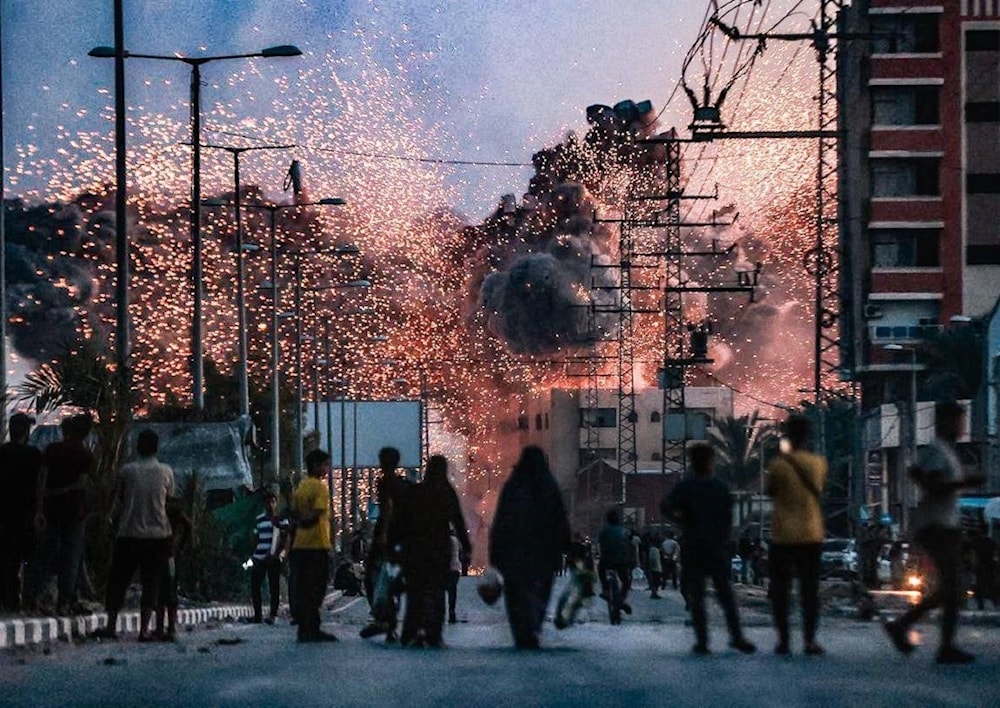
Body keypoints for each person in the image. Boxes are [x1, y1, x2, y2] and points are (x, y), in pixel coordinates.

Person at [883, 401, 985, 664]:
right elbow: (930, 482)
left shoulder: (945, 452)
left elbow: (920, 475)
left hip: (944, 525)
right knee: (953, 586)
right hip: (936, 526)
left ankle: (905, 626)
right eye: (958, 421)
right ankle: (939, 643)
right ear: (946, 422)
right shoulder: (937, 451)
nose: (961, 427)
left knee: (953, 587)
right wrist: (962, 482)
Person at [662, 443, 756, 656]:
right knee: (725, 595)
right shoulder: (719, 487)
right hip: (715, 547)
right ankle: (736, 637)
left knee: (698, 595)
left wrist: (681, 522)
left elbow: (665, 506)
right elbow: (729, 518)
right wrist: (723, 537)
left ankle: (703, 641)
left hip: (694, 546)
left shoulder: (686, 487)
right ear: (711, 461)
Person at [96, 429, 175, 640]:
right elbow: (168, 501)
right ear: (156, 448)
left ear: (137, 447)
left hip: (129, 532)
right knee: (151, 583)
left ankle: (111, 625)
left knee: (118, 581)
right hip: (158, 534)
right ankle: (144, 630)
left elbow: (119, 498)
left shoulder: (127, 471)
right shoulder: (166, 472)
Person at [490, 446, 571, 649]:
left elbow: (501, 522)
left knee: (516, 594)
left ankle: (521, 632)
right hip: (543, 554)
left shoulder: (513, 486)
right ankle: (534, 626)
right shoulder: (548, 486)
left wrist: (495, 552)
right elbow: (560, 519)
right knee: (540, 591)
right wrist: (566, 547)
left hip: (514, 555)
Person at [765, 414, 827, 657]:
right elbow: (819, 489)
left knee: (781, 591)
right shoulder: (818, 463)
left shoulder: (778, 465)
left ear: (787, 435)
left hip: (782, 535)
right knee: (809, 592)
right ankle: (810, 641)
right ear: (807, 436)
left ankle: (783, 641)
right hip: (811, 534)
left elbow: (770, 491)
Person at [397, 455, 471, 647]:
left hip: (416, 549)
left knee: (416, 592)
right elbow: (458, 521)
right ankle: (434, 633)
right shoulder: (447, 492)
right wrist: (466, 547)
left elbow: (403, 520)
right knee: (437, 592)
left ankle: (411, 632)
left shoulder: (416, 491)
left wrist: (398, 545)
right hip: (439, 549)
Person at [32, 413, 97, 615]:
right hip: (74, 511)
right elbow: (83, 484)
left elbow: (42, 479)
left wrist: (40, 506)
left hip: (51, 510)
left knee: (46, 553)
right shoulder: (85, 455)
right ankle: (65, 602)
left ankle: (35, 597)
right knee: (71, 556)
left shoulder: (52, 450)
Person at [360, 446, 411, 641]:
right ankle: (389, 623)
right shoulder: (405, 484)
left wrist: (382, 535)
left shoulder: (384, 483)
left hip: (386, 538)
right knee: (392, 580)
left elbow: (387, 507)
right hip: (402, 538)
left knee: (372, 578)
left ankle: (382, 618)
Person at [291, 448, 336, 642]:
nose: (327, 469)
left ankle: (305, 627)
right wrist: (306, 522)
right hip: (317, 544)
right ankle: (312, 627)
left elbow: (293, 512)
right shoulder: (320, 488)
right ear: (316, 466)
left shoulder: (301, 487)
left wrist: (299, 524)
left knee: (303, 587)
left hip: (300, 545)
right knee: (317, 588)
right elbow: (318, 513)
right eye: (325, 465)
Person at [0, 413, 43, 612]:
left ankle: (8, 598)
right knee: (23, 557)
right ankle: (20, 598)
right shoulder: (34, 455)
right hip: (25, 513)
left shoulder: (2, 453)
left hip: (5, 513)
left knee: (6, 556)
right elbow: (39, 485)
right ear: (25, 432)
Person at [154, 495, 192, 640]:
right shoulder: (160, 511)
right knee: (161, 590)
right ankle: (161, 628)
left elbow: (188, 526)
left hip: (169, 554)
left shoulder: (174, 513)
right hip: (161, 553)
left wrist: (179, 546)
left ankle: (169, 627)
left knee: (169, 589)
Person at [251, 489, 288, 624]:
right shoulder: (259, 519)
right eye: (268, 502)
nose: (270, 505)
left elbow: (283, 539)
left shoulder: (281, 520)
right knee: (255, 586)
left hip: (274, 558)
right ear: (264, 504)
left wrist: (276, 554)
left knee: (274, 586)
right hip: (259, 557)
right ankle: (257, 615)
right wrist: (254, 554)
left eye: (272, 502)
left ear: (276, 503)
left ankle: (273, 615)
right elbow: (256, 538)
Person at [597, 509, 633, 619]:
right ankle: (621, 599)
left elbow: (600, 544)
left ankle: (605, 589)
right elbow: (629, 544)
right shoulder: (624, 531)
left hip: (607, 560)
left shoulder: (604, 531)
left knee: (601, 571)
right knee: (626, 581)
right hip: (622, 561)